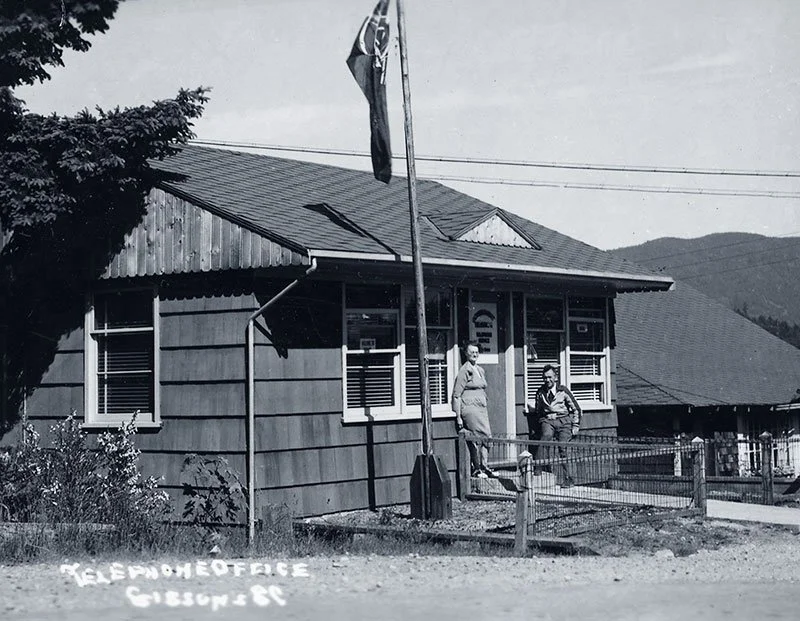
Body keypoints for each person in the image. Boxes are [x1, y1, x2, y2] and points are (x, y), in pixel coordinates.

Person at [527, 364, 581, 487]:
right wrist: (541, 421)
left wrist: (576, 425)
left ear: (555, 377)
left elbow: (576, 409)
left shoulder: (563, 391)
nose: (547, 380)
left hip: (563, 421)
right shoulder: (540, 392)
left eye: (550, 377)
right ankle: (538, 470)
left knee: (563, 447)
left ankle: (569, 478)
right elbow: (538, 411)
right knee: (544, 438)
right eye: (545, 378)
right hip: (548, 421)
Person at [452, 340, 496, 478]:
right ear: (466, 353)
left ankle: (484, 466)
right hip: (470, 408)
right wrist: (458, 416)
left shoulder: (480, 369)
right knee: (479, 436)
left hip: (481, 408)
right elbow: (456, 395)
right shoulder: (464, 371)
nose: (474, 354)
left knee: (486, 436)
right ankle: (477, 469)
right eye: (472, 352)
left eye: (476, 352)